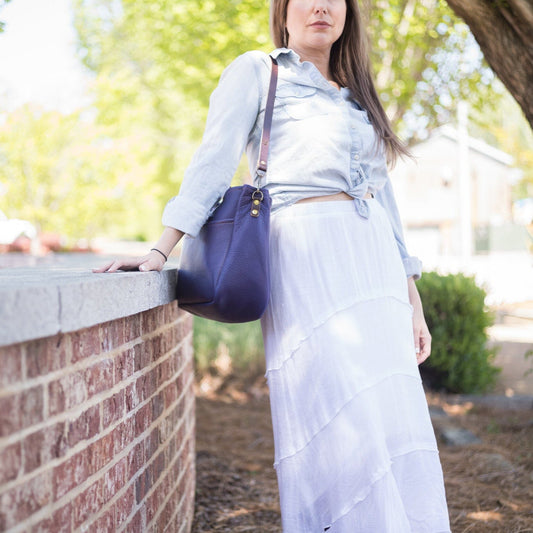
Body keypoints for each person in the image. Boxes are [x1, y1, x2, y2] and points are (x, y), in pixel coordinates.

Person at [95, 0, 451, 530]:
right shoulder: (257, 71)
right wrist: (161, 250)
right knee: (335, 408)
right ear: (282, 10)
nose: (321, 6)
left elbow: (386, 201)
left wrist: (412, 302)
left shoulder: (358, 95)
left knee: (388, 411)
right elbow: (213, 162)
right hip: (305, 259)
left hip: (373, 264)